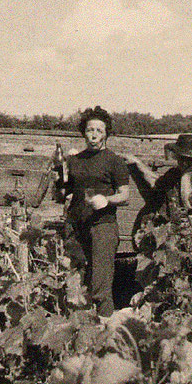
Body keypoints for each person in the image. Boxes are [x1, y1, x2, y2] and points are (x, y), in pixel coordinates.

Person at [59, 106, 130, 317]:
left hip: (102, 225)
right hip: (76, 224)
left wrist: (106, 200)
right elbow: (63, 191)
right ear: (84, 132)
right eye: (90, 130)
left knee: (100, 282)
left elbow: (125, 196)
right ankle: (76, 326)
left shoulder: (114, 161)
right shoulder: (75, 160)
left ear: (106, 133)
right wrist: (60, 175)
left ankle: (105, 327)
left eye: (99, 130)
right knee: (74, 279)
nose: (94, 135)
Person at [124, 134, 192, 229]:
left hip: (191, 229)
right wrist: (138, 164)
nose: (180, 161)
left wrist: (186, 175)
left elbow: (188, 203)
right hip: (169, 225)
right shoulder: (174, 172)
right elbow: (156, 183)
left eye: (184, 158)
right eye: (180, 157)